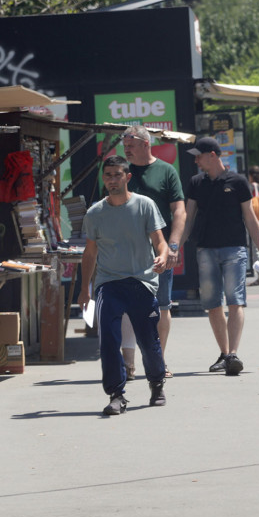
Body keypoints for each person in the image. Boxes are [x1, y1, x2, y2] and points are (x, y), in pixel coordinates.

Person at [79, 155, 170, 415]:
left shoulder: (145, 205)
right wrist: (85, 289)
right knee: (108, 339)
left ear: (127, 177)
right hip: (109, 283)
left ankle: (156, 383)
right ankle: (116, 394)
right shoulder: (95, 213)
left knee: (148, 340)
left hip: (142, 282)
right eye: (108, 175)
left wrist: (163, 256)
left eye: (117, 175)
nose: (112, 180)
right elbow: (90, 254)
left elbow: (160, 241)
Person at [182, 137, 259, 376]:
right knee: (212, 303)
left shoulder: (238, 181)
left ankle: (233, 354)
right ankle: (224, 354)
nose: (196, 161)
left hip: (234, 249)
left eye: (199, 156)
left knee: (235, 300)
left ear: (213, 155)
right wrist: (174, 248)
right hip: (205, 249)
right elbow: (188, 218)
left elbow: (250, 219)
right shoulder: (196, 183)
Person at [118, 125, 185, 379]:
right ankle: (129, 364)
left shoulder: (166, 171)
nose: (126, 150)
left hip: (160, 249)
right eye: (124, 146)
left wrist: (174, 245)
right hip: (128, 251)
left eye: (131, 145)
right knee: (127, 306)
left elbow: (179, 211)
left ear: (146, 144)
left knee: (162, 306)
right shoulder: (122, 173)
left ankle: (158, 361)